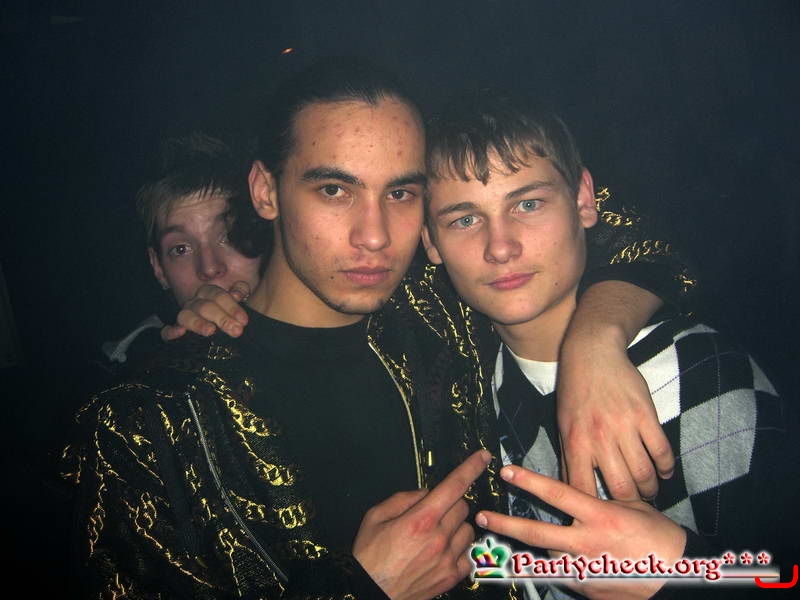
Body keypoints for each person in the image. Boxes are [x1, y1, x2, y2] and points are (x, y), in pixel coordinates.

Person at [63, 60, 691, 599]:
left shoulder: (439, 314)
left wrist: (594, 339)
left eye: (400, 194)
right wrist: (361, 587)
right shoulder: (143, 424)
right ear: (265, 190)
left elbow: (621, 233)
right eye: (335, 190)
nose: (374, 236)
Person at [417, 89, 794, 598]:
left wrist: (675, 576)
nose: (500, 247)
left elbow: (779, 573)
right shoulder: (465, 390)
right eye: (465, 219)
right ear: (431, 242)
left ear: (583, 200)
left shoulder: (702, 376)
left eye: (528, 203)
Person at [100, 133, 262, 367]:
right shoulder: (139, 366)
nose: (209, 268)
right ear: (159, 269)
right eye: (181, 249)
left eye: (228, 236)